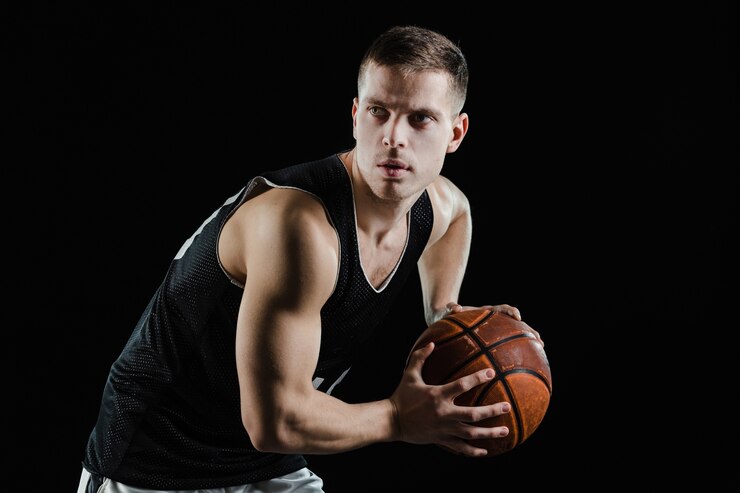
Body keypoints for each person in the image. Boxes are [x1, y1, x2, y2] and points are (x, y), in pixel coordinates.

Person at [77, 24, 542, 493]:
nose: (393, 137)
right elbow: (274, 422)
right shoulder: (300, 227)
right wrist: (398, 417)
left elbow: (458, 214)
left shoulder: (436, 206)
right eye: (379, 112)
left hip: (263, 462)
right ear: (356, 116)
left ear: (455, 133)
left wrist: (444, 313)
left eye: (420, 119)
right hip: (154, 461)